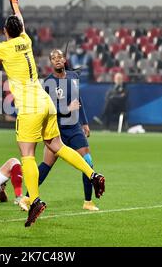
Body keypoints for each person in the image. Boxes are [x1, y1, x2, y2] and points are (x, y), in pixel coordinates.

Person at [0, 0, 105, 227]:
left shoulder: (6, 47)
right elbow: (20, 20)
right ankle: (93, 175)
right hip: (46, 101)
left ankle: (35, 199)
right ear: (20, 29)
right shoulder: (26, 40)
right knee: (58, 146)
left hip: (29, 106)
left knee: (27, 154)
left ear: (7, 32)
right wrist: (15, 2)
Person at [19, 49, 99, 211]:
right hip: (56, 129)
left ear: (64, 60)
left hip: (75, 127)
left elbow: (78, 100)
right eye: (53, 58)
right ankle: (28, 198)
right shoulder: (47, 83)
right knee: (46, 165)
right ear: (50, 62)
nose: (57, 60)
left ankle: (88, 202)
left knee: (88, 162)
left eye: (59, 57)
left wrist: (84, 122)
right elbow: (47, 107)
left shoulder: (73, 77)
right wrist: (67, 108)